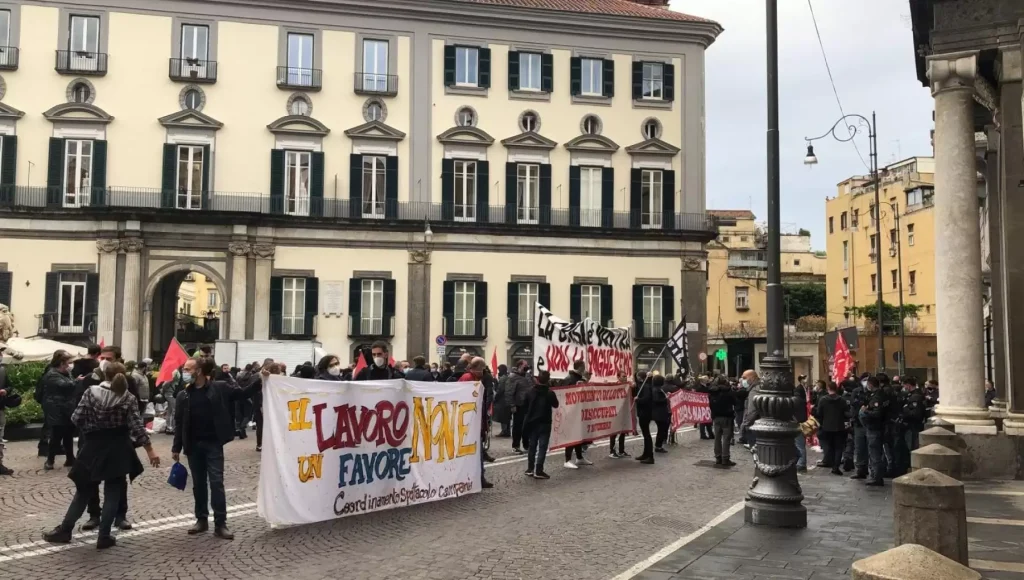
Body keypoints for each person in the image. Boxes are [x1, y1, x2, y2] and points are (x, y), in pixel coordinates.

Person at [42, 362, 160, 549]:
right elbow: (136, 426)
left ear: (105, 374)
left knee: (83, 491)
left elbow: (77, 418)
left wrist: (91, 428)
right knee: (113, 492)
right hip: (118, 447)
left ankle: (65, 530)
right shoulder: (127, 397)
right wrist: (150, 450)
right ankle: (104, 536)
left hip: (93, 446)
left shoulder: (90, 392)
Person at [172, 357, 261, 539]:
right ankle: (201, 520)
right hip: (193, 445)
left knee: (216, 483)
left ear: (199, 371)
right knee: (198, 485)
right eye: (184, 369)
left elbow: (242, 394)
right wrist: (176, 447)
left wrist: (262, 379)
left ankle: (220, 523)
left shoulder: (220, 388)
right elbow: (180, 422)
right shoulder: (184, 395)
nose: (185, 372)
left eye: (188, 369)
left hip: (213, 443)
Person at [457, 358, 494, 488]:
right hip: (470, 422)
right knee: (476, 452)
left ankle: (477, 477)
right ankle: (479, 478)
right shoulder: (469, 379)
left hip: (474, 421)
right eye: (483, 369)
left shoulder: (471, 378)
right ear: (478, 368)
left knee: (476, 452)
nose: (484, 372)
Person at [42, 351, 77, 470]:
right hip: (56, 409)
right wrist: (77, 381)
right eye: (69, 362)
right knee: (56, 435)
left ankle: (70, 458)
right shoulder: (52, 374)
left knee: (68, 434)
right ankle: (50, 460)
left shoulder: (66, 373)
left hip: (67, 408)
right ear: (62, 363)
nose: (70, 365)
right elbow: (64, 386)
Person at [523, 371, 558, 479]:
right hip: (545, 422)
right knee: (542, 447)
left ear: (537, 379)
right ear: (548, 380)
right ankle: (539, 470)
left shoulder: (530, 391)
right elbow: (556, 405)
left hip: (532, 422)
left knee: (532, 446)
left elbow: (524, 406)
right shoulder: (550, 393)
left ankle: (530, 468)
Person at [813, 382, 850, 475]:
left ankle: (831, 462)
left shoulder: (823, 400)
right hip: (839, 427)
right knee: (838, 448)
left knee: (830, 447)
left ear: (828, 388)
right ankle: (836, 466)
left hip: (827, 427)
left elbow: (819, 414)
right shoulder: (842, 400)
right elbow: (847, 413)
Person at [561, 360, 592, 468]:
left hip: (579, 410)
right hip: (571, 412)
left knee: (579, 434)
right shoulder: (570, 379)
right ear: (580, 367)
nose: (585, 368)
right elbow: (565, 394)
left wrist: (586, 381)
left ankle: (579, 457)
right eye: (584, 366)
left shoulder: (578, 378)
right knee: (571, 435)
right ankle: (567, 459)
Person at [859, 376, 888, 487]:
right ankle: (875, 476)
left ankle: (876, 477)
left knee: (875, 454)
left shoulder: (877, 397)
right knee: (875, 453)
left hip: (875, 428)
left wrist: (865, 412)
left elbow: (877, 414)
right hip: (875, 428)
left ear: (871, 384)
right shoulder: (877, 395)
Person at [896, 376, 927, 476]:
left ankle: (913, 469)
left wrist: (904, 411)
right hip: (910, 426)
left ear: (908, 385)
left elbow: (916, 414)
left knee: (912, 447)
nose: (904, 387)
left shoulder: (916, 396)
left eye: (904, 385)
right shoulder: (913, 395)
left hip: (913, 426)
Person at [506, 361, 533, 454]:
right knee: (518, 427)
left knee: (527, 426)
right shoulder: (513, 377)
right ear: (519, 366)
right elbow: (509, 392)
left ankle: (526, 445)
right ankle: (515, 446)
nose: (526, 367)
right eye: (524, 366)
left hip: (528, 404)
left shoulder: (527, 376)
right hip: (518, 405)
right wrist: (512, 405)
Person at [633, 370, 656, 465]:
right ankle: (645, 454)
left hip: (645, 413)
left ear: (640, 377)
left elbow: (646, 399)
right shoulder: (644, 385)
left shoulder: (646, 386)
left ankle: (650, 456)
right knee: (646, 434)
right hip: (644, 413)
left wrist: (638, 400)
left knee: (647, 435)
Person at [739, 370, 761, 450]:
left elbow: (752, 410)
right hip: (757, 423)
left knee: (755, 451)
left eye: (744, 377)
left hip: (754, 424)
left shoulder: (754, 390)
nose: (743, 380)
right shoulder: (756, 387)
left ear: (752, 378)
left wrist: (746, 424)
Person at [652, 375, 672, 453]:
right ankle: (658, 446)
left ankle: (659, 445)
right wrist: (666, 398)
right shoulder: (656, 390)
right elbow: (657, 400)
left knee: (662, 429)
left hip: (661, 412)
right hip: (660, 413)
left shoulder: (658, 389)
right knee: (661, 430)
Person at [793, 376, 809, 472]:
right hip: (801, 421)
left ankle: (801, 463)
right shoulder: (801, 399)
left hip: (799, 422)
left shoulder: (796, 400)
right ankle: (800, 462)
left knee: (799, 444)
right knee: (799, 444)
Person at [493, 364, 511, 437]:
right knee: (507, 416)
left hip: (503, 400)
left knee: (503, 416)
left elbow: (500, 390)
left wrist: (495, 398)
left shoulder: (503, 378)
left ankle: (504, 431)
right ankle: (507, 431)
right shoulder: (508, 377)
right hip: (508, 399)